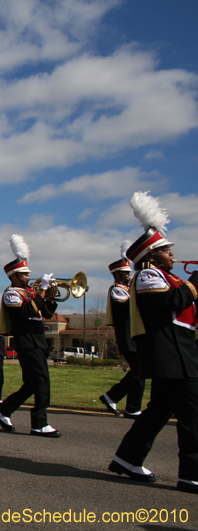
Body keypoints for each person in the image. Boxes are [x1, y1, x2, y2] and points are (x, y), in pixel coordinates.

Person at [109, 191, 198, 494]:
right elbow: (171, 303)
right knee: (191, 416)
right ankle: (191, 474)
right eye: (166, 251)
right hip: (171, 356)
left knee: (159, 411)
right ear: (150, 256)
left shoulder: (166, 277)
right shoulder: (147, 276)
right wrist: (194, 282)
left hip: (179, 352)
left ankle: (127, 458)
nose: (173, 254)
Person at [0, 234, 60, 438]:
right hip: (26, 342)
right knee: (42, 382)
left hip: (37, 340)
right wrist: (42, 291)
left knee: (32, 384)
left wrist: (50, 296)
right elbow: (28, 312)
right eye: (23, 274)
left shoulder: (31, 292)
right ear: (13, 276)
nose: (27, 277)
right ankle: (39, 423)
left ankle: (3, 411)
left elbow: (46, 313)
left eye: (27, 273)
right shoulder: (11, 294)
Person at [99, 247, 145, 419]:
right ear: (117, 274)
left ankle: (111, 396)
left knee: (138, 371)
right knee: (139, 371)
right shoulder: (117, 289)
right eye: (125, 273)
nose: (129, 275)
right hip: (128, 337)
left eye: (129, 272)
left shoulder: (129, 288)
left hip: (136, 336)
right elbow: (128, 306)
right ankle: (132, 407)